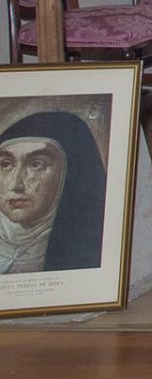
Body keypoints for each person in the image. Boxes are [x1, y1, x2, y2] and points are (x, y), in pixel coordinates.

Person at [0, 111, 106, 273]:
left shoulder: (96, 248)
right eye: (6, 164)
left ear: (68, 173)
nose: (16, 184)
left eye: (36, 164)